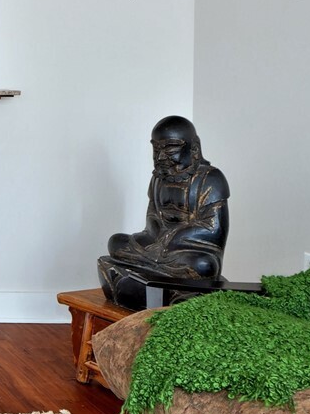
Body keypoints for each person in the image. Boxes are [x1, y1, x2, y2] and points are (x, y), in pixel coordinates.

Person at [97, 116, 229, 310]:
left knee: (204, 266)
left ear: (193, 148)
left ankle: (151, 282)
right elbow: (152, 217)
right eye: (156, 149)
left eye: (170, 149)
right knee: (115, 243)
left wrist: (172, 238)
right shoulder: (158, 178)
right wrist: (156, 237)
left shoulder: (210, 179)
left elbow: (214, 230)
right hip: (156, 246)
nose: (160, 157)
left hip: (188, 250)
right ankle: (154, 280)